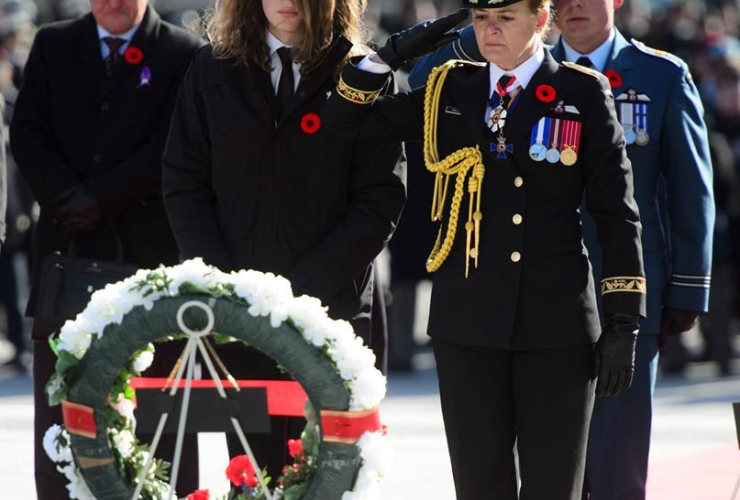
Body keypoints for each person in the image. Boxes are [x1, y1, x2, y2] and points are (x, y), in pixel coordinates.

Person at [322, 0, 647, 498]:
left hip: (555, 328)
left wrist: (624, 321)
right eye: (480, 19)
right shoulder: (452, 87)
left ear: (542, 20)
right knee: (479, 487)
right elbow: (344, 123)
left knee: (553, 486)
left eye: (506, 19)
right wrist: (387, 57)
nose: (490, 31)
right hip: (467, 323)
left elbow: (616, 216)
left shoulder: (580, 92)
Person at [409, 0, 715, 498]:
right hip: (493, 310)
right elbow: (384, 115)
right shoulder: (471, 80)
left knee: (608, 469)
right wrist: (426, 43)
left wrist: (672, 295)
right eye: (483, 17)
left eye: (504, 16)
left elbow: (677, 194)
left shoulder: (650, 76)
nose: (575, 4)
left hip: (597, 305)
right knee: (491, 478)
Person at [162, 0, 406, 479]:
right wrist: (227, 286)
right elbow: (183, 180)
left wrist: (299, 290)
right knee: (254, 472)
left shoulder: (364, 74)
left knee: (327, 475)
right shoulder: (213, 68)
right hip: (238, 315)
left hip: (329, 313)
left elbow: (379, 201)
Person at [9, 0, 204, 497]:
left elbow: (176, 143)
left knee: (158, 405)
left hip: (150, 255)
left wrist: (102, 196)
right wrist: (64, 198)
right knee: (62, 401)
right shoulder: (54, 45)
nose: (112, 2)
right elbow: (27, 133)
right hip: (66, 250)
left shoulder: (183, 51)